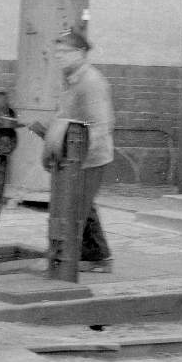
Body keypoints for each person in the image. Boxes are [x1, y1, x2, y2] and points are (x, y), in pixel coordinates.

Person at [52, 27, 114, 273]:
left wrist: (81, 161)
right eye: (56, 52)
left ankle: (95, 258)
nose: (59, 56)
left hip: (90, 156)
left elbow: (101, 125)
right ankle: (95, 256)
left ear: (80, 53)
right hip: (75, 154)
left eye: (64, 52)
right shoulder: (71, 78)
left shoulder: (91, 82)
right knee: (82, 204)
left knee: (79, 205)